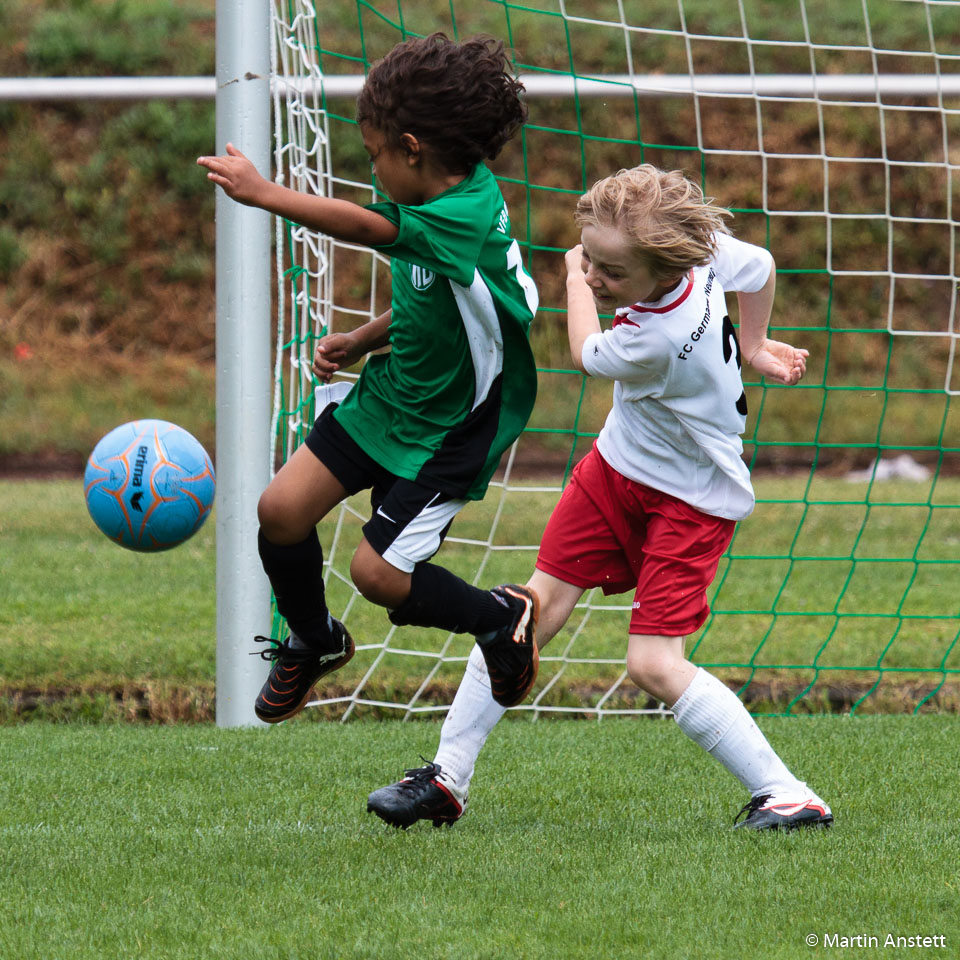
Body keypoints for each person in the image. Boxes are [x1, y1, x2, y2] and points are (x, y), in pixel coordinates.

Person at [367, 164, 833, 832]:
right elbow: (756, 267)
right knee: (524, 614)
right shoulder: (702, 257)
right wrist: (753, 344)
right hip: (616, 470)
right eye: (593, 260)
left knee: (650, 664)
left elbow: (584, 351)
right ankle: (446, 778)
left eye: (611, 271)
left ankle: (789, 793)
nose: (596, 277)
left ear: (663, 266)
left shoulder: (657, 337)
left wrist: (567, 274)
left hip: (692, 499)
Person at [196, 32, 541, 724]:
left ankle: (501, 620)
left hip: (451, 426)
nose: (374, 170)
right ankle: (314, 640)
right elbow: (439, 297)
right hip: (394, 395)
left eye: (375, 154)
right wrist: (362, 338)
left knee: (378, 575)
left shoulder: (462, 212)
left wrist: (265, 195)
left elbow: (364, 228)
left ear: (412, 148)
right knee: (280, 511)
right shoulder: (438, 208)